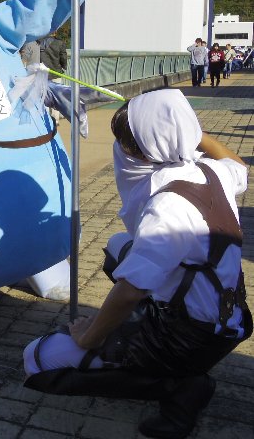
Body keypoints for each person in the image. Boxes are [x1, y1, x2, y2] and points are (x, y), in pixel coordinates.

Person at [22, 89, 251, 439]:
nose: (121, 149)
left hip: (192, 337)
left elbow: (130, 291)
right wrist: (194, 136)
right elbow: (239, 165)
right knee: (119, 246)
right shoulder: (210, 169)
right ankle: (157, 345)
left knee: (39, 360)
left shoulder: (167, 207)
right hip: (227, 315)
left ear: (143, 151)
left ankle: (182, 389)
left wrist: (90, 335)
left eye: (125, 142)